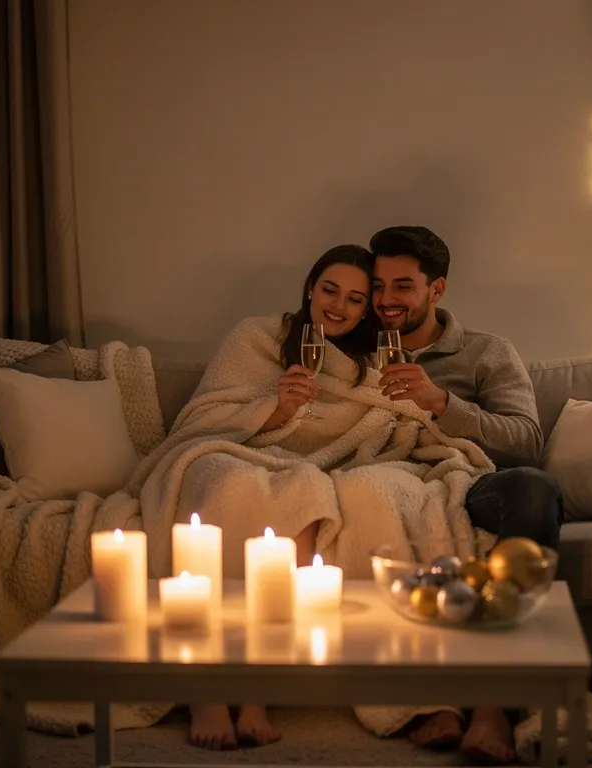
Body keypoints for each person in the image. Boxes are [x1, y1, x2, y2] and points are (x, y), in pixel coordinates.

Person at [370, 225, 564, 764]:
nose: (386, 300)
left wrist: (441, 402)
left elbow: (526, 441)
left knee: (534, 488)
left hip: (465, 479)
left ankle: (495, 703)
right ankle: (430, 700)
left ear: (437, 290)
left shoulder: (486, 352)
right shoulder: (352, 344)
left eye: (402, 286)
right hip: (381, 484)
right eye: (379, 285)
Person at [189, 243, 380, 750]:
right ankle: (206, 690)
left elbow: (384, 418)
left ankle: (255, 689)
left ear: (366, 309)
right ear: (310, 290)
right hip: (228, 450)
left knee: (305, 489)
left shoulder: (370, 361)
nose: (338, 306)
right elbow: (200, 419)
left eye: (355, 299)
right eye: (330, 290)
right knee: (227, 482)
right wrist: (272, 408)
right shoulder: (256, 337)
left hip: (304, 466)